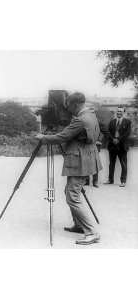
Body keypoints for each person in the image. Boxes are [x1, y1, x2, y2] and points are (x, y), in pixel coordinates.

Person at [36, 92, 102, 245]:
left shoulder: (80, 119)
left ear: (75, 104)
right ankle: (79, 225)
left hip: (80, 161)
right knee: (70, 192)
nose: (68, 110)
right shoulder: (91, 115)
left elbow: (62, 137)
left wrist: (43, 138)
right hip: (86, 158)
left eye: (69, 106)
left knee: (72, 196)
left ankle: (91, 232)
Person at [105, 107, 131, 187]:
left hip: (122, 146)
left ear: (123, 112)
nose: (119, 112)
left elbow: (127, 133)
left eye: (120, 111)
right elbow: (108, 132)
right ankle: (110, 180)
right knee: (111, 164)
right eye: (118, 111)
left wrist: (118, 139)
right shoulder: (112, 122)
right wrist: (113, 139)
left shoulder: (127, 122)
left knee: (123, 164)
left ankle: (123, 181)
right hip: (112, 146)